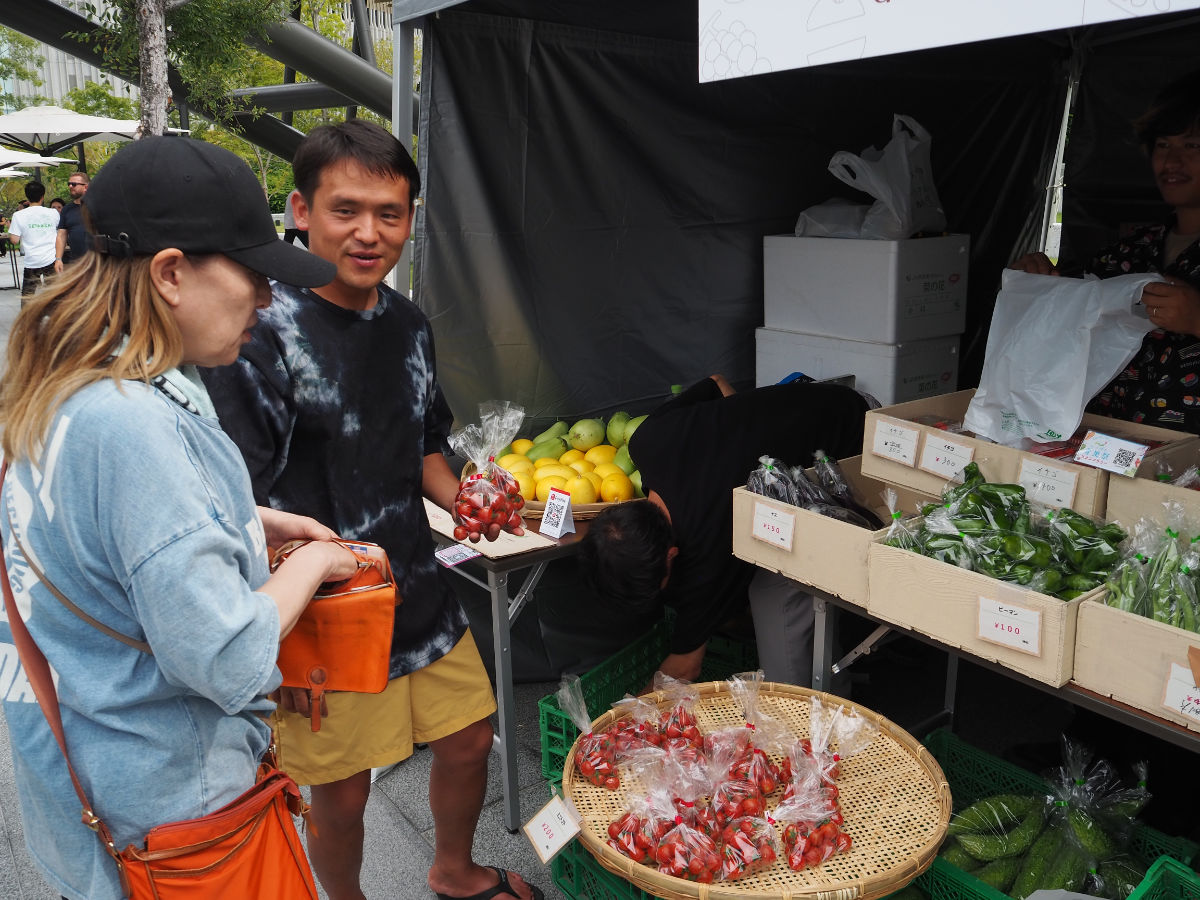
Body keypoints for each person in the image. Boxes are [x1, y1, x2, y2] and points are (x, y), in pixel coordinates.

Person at [0, 136, 359, 900]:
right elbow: (227, 660)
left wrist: (245, 518)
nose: (267, 301)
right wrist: (315, 565)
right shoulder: (137, 429)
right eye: (254, 275)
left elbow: (92, 541)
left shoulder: (64, 384)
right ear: (169, 272)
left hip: (91, 784)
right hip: (179, 815)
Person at [202, 119, 543, 900]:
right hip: (324, 610)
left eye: (389, 213)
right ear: (300, 210)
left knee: (468, 738)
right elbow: (232, 502)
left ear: (411, 220)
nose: (368, 233)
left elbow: (426, 448)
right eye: (345, 210)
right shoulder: (260, 335)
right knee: (344, 790)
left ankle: (452, 872)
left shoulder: (408, 324)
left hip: (417, 587)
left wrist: (475, 503)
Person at [577, 376, 870, 686]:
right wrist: (740, 436)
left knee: (775, 598)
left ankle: (818, 712)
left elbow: (684, 670)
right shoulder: (647, 440)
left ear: (671, 554)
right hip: (830, 398)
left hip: (858, 444)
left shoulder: (707, 550)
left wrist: (628, 716)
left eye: (658, 585)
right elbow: (716, 383)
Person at [1010, 69, 1200, 433]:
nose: (1172, 162)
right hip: (1103, 445)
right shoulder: (1130, 249)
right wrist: (1040, 283)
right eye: (1163, 145)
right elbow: (1076, 310)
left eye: (1192, 146)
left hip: (1186, 465)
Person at [5, 181, 59, 299]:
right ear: (42, 196)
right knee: (54, 296)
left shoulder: (19, 215)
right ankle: (54, 316)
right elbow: (61, 232)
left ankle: (28, 317)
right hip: (51, 259)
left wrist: (11, 229)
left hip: (32, 261)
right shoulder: (53, 213)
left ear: (27, 197)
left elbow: (14, 240)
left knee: (28, 297)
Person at [54, 171, 89, 272]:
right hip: (76, 262)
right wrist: (58, 259)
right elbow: (61, 235)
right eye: (68, 184)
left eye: (74, 184)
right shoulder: (67, 209)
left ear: (86, 187)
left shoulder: (96, 206)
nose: (70, 186)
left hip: (98, 261)